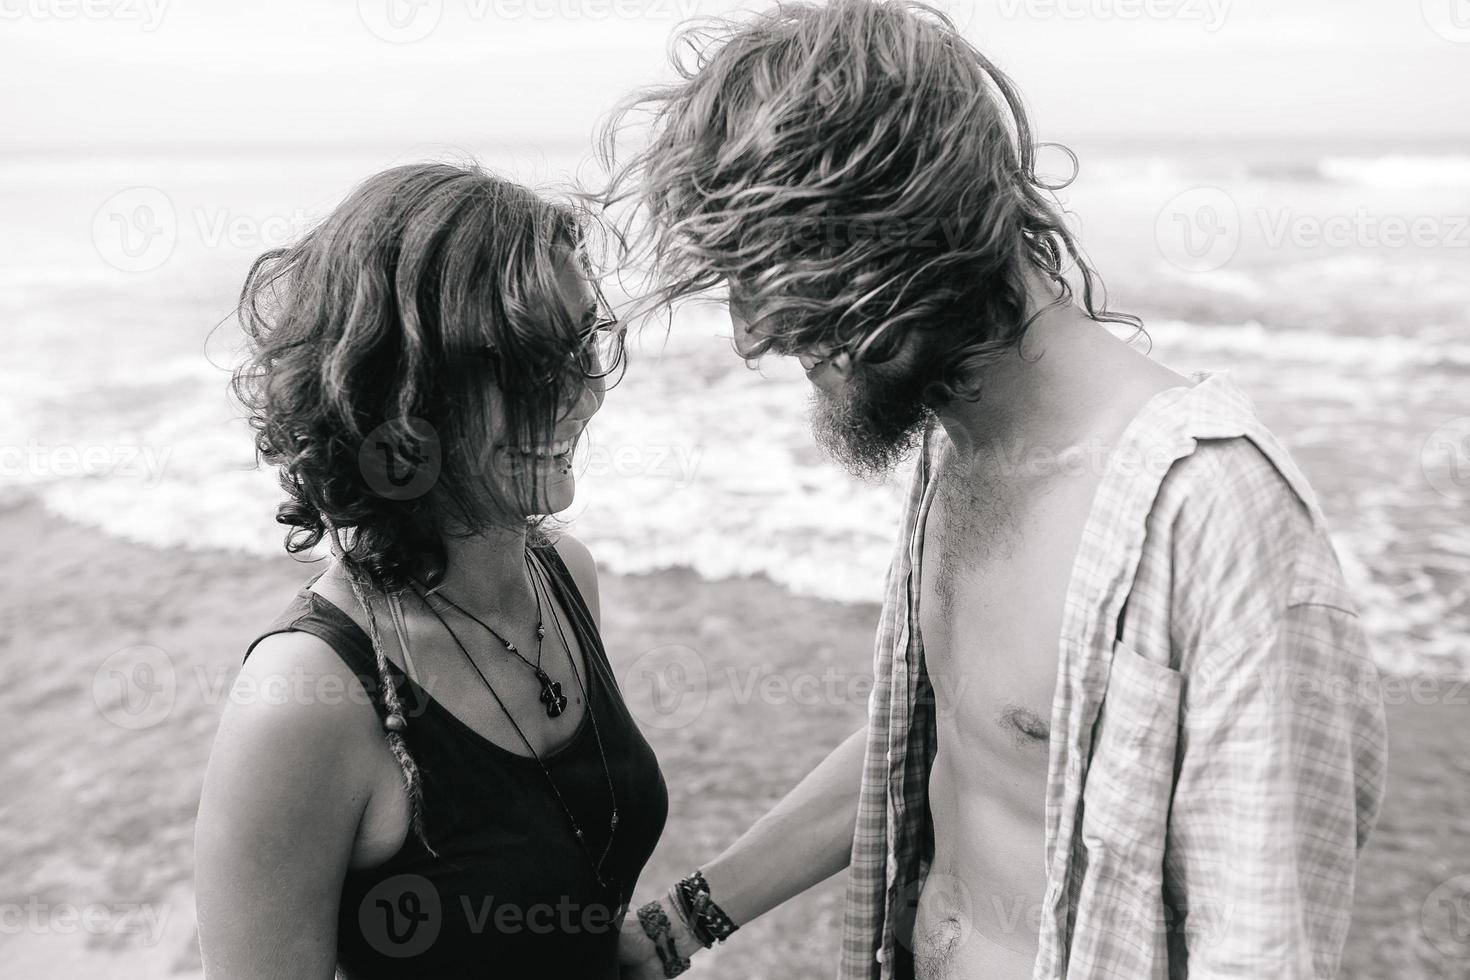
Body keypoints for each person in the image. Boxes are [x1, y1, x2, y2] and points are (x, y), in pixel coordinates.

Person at [603, 3, 1388, 977]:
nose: (760, 332)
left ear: (904, 242)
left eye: (797, 288)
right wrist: (679, 924)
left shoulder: (1213, 521)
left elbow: (1262, 945)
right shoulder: (958, 451)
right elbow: (953, 745)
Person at [195, 162, 668, 979]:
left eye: (582, 346)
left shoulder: (563, 578)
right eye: (524, 366)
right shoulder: (306, 699)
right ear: (399, 395)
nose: (578, 397)